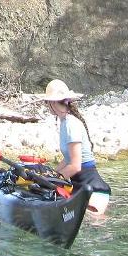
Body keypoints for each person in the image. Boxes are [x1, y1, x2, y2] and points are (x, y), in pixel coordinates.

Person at [41, 79, 112, 215]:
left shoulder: (70, 124)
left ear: (53, 102)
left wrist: (53, 181)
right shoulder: (63, 122)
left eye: (47, 102)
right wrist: (51, 175)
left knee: (95, 226)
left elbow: (75, 166)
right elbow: (68, 159)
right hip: (79, 185)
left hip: (92, 187)